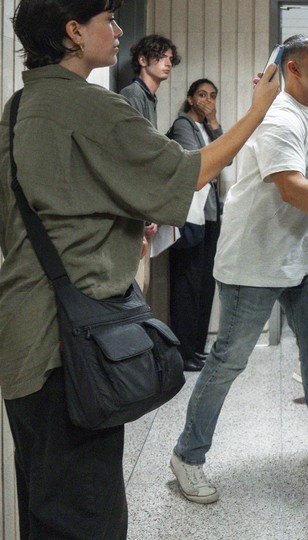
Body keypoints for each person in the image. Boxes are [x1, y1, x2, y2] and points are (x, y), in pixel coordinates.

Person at [0, 0, 280, 536]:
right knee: (86, 516)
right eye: (108, 19)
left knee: (44, 501)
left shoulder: (18, 108)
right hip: (70, 345)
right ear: (74, 31)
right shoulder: (91, 104)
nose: (118, 29)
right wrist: (257, 111)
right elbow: (190, 172)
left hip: (22, 332)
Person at [170, 34, 308, 505]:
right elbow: (292, 188)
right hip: (253, 261)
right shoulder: (277, 117)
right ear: (293, 69)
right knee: (229, 360)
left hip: (300, 256)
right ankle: (187, 455)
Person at [119, 33, 181, 319]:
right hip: (132, 210)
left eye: (170, 58)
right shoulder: (133, 95)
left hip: (142, 207)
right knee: (135, 286)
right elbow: (131, 159)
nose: (167, 63)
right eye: (161, 57)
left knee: (141, 286)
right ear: (143, 60)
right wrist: (145, 214)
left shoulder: (148, 97)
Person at [166, 78, 224, 372]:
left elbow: (225, 158)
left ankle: (198, 348)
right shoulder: (183, 125)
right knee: (187, 283)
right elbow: (198, 163)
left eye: (212, 95)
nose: (207, 100)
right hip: (189, 216)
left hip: (210, 212)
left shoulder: (206, 127)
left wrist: (213, 122)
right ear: (190, 99)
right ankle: (184, 351)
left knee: (204, 282)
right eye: (202, 94)